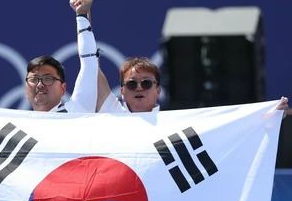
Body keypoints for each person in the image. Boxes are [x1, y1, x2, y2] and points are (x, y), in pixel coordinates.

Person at [95, 57, 289, 116]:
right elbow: (91, 68)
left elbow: (228, 126)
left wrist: (266, 114)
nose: (138, 88)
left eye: (146, 83)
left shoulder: (175, 122)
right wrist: (83, 16)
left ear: (158, 91)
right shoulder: (113, 113)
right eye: (131, 84)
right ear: (121, 91)